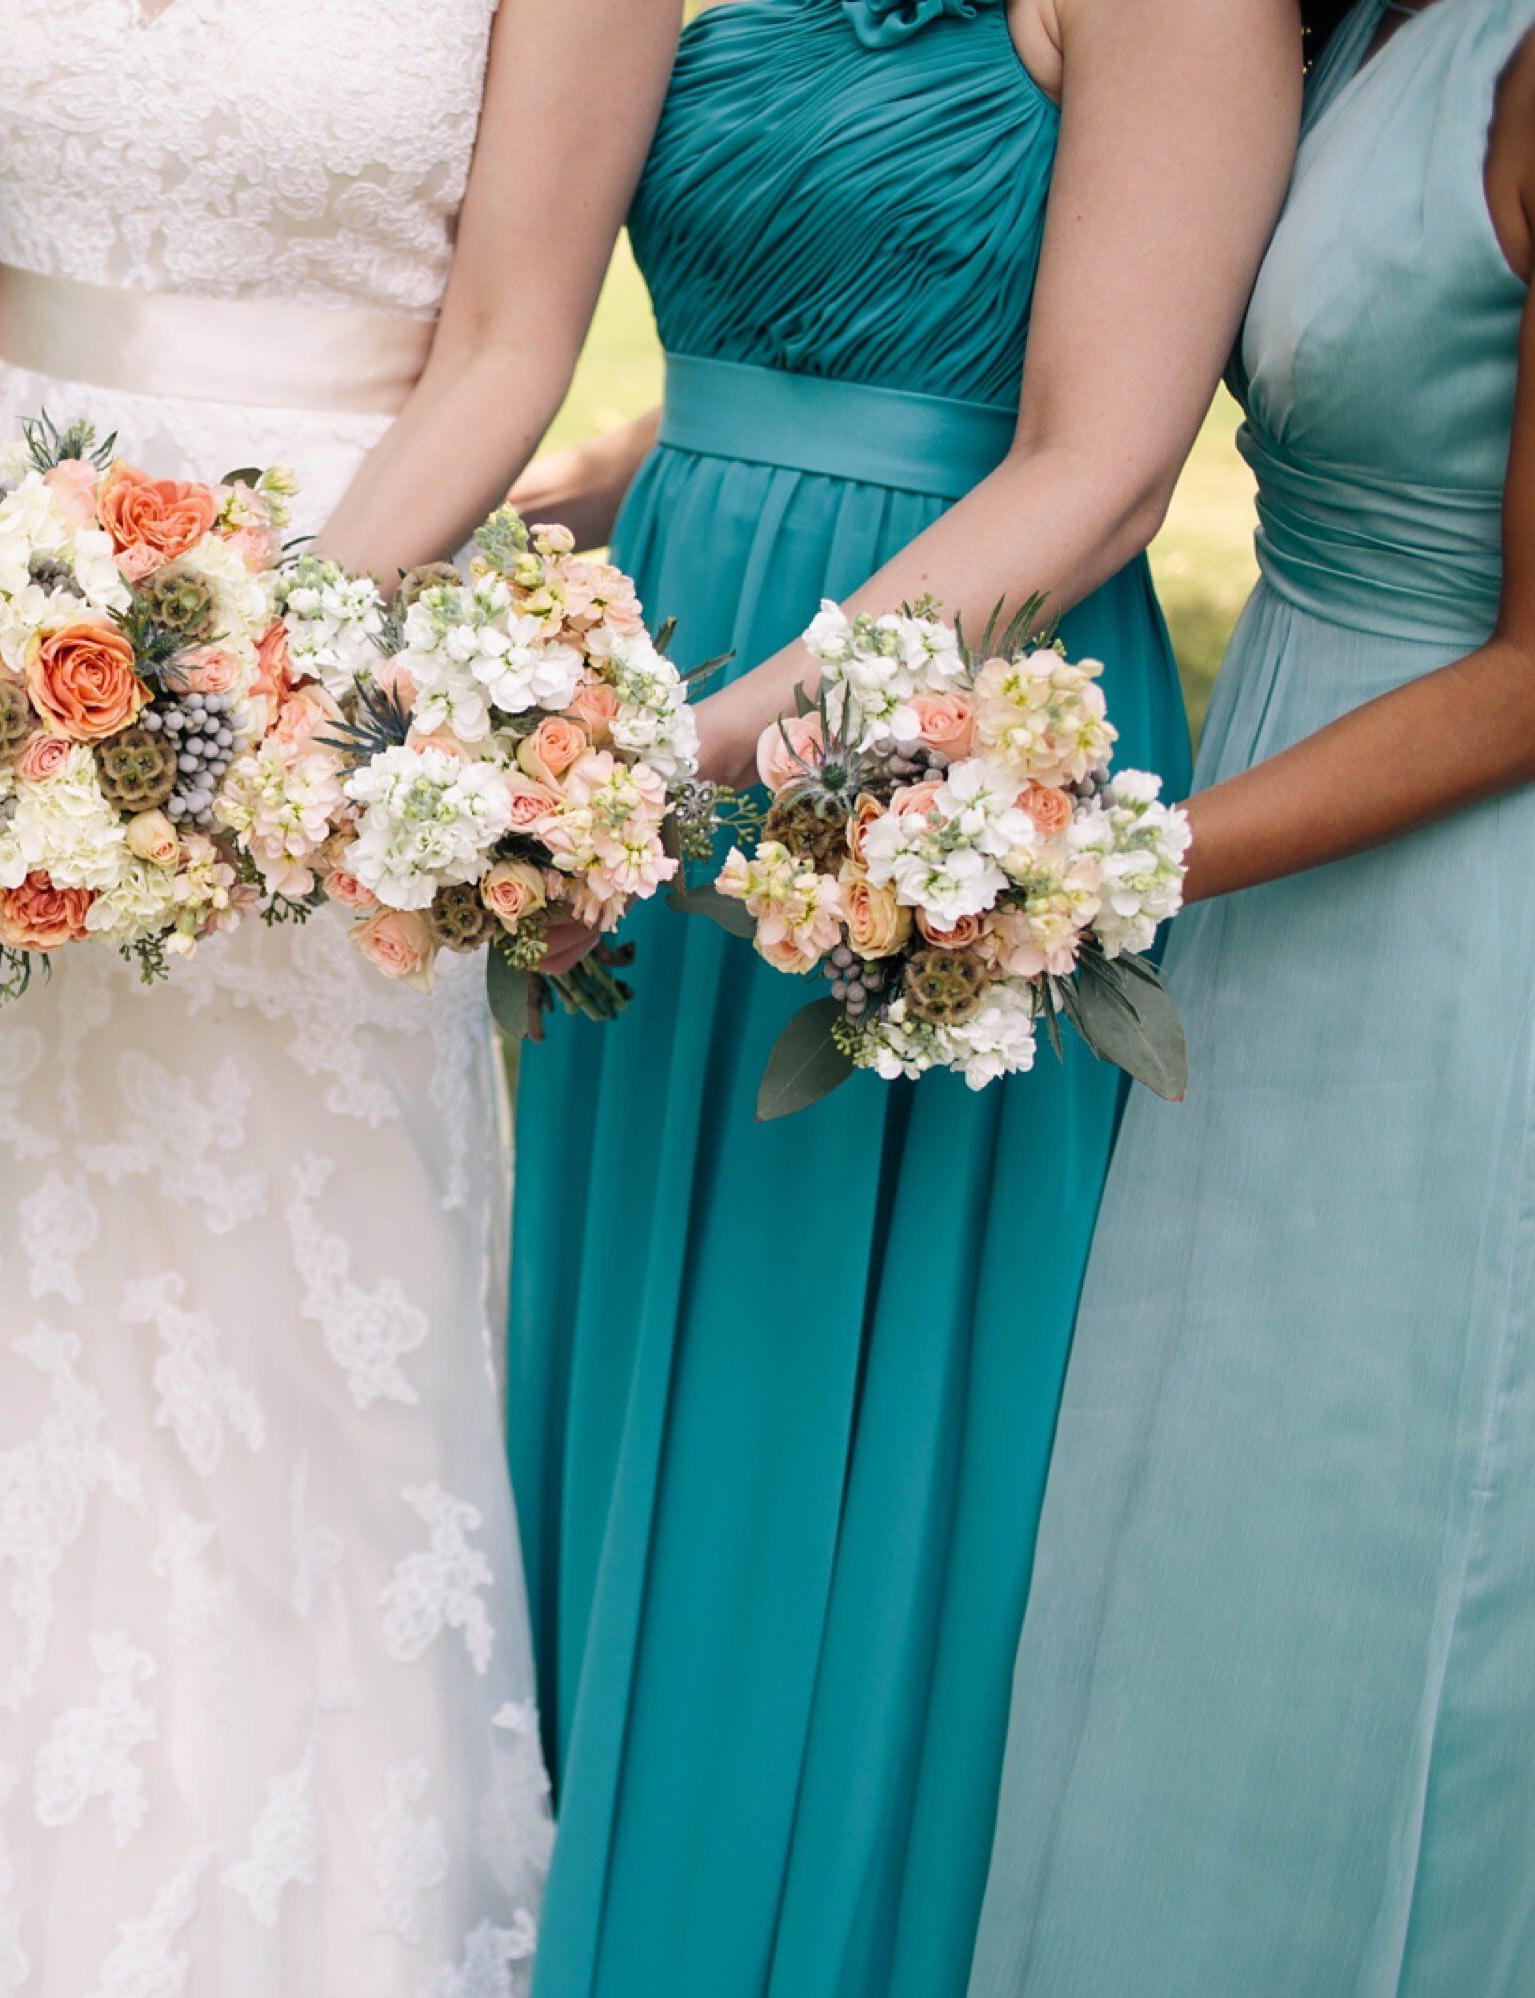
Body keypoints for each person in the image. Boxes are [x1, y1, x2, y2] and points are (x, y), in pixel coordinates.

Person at [0, 1, 676, 1988]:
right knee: (16, 1307)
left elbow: (515, 337)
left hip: (327, 639)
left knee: (298, 1332)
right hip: (7, 658)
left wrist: (246, 654)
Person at [501, 1, 1296, 1993]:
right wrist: (506, 594)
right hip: (674, 662)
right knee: (638, 1353)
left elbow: (1108, 473)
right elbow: (730, 383)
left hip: (924, 739)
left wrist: (694, 763)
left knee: (813, 1381)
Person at [970, 2, 1535, 1990]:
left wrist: (1125, 860)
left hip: (1448, 915)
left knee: (1369, 1545)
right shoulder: (1378, 25)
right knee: (1175, 1536)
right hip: (1274, 811)